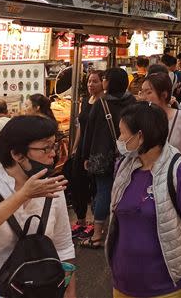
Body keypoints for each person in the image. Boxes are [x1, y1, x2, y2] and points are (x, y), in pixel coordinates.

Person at [0, 115, 75, 298]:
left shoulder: (52, 189)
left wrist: (69, 292)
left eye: (54, 145)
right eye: (45, 148)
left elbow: (63, 246)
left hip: (38, 291)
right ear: (17, 154)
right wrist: (23, 195)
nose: (53, 154)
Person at [108, 103, 181, 298]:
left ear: (140, 136)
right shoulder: (123, 166)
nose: (119, 139)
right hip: (123, 282)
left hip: (166, 285)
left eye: (122, 133)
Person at [80, 67, 136, 249]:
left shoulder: (101, 103)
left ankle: (97, 235)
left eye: (105, 79)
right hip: (127, 153)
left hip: (103, 155)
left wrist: (85, 155)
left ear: (110, 82)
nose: (103, 82)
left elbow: (89, 132)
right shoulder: (132, 101)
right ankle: (123, 232)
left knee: (104, 191)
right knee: (125, 190)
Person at [69, 70, 104, 239]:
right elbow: (80, 127)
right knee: (78, 184)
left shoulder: (104, 103)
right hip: (82, 148)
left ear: (103, 83)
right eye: (89, 81)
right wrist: (75, 147)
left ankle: (94, 222)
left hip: (95, 149)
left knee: (94, 187)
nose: (91, 84)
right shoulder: (85, 100)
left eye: (95, 81)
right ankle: (81, 220)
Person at [138, 73, 181, 162]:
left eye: (148, 92)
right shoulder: (140, 119)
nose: (143, 97)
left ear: (164, 94)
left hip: (176, 173)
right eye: (142, 92)